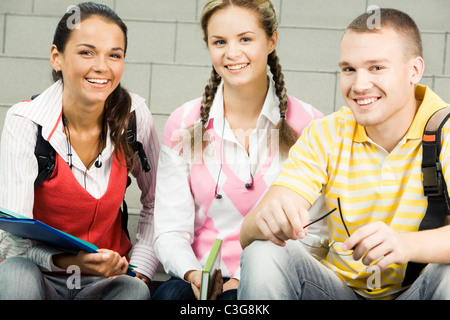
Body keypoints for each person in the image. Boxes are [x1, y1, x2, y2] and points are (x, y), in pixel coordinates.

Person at [238, 8, 450, 300]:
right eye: (349, 69)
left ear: (414, 70)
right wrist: (269, 218)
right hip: (338, 292)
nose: (359, 85)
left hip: (420, 291)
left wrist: (407, 244)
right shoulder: (326, 133)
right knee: (263, 251)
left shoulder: (446, 131)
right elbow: (247, 233)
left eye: (376, 67)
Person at [152, 0, 323, 300]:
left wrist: (245, 278)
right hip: (198, 279)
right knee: (170, 297)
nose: (232, 53)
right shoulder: (183, 123)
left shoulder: (311, 125)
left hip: (274, 279)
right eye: (220, 42)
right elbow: (171, 230)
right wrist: (196, 275)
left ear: (272, 41)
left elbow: (317, 235)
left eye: (245, 39)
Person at [0, 2, 160, 300]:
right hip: (41, 276)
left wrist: (139, 267)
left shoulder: (134, 115)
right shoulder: (26, 121)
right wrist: (70, 262)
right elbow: (13, 240)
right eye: (86, 52)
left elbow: (157, 201)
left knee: (135, 291)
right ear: (56, 58)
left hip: (105, 282)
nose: (102, 66)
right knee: (14, 271)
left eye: (114, 55)